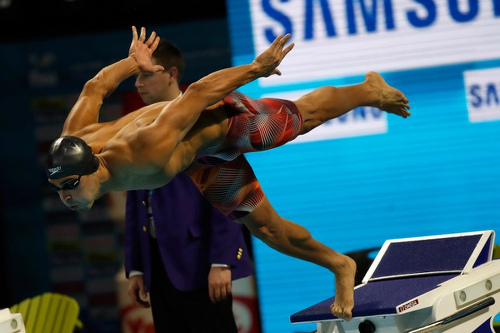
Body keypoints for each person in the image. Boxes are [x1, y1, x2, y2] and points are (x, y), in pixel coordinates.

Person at [46, 26, 411, 321]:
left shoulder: (144, 149)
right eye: (59, 189)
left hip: (227, 124)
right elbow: (95, 87)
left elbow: (199, 93)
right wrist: (131, 62)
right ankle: (340, 264)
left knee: (305, 117)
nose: (65, 197)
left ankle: (369, 90)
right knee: (267, 229)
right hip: (203, 161)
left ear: (92, 168)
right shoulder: (72, 140)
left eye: (69, 186)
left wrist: (257, 69)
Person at [125, 39, 253, 332]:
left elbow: (227, 188)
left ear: (171, 74)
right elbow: (135, 202)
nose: (137, 83)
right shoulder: (134, 126)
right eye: (135, 75)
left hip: (201, 259)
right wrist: (135, 266)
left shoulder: (203, 118)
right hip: (157, 266)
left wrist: (222, 261)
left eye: (145, 74)